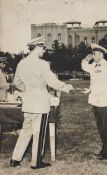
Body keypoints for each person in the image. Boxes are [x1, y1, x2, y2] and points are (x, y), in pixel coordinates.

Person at [10, 36, 74, 169]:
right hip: (40, 103)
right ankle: (36, 162)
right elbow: (52, 81)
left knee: (25, 131)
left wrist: (28, 91)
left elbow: (17, 83)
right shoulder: (42, 64)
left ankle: (15, 159)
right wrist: (66, 87)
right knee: (38, 133)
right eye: (43, 48)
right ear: (37, 47)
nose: (44, 51)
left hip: (27, 102)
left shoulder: (22, 63)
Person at [81, 43, 107, 160]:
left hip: (103, 101)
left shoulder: (106, 67)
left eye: (94, 54)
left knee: (106, 127)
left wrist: (91, 91)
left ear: (100, 54)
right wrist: (85, 59)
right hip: (96, 100)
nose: (92, 56)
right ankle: (104, 149)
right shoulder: (95, 65)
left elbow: (105, 86)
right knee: (100, 126)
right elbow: (85, 66)